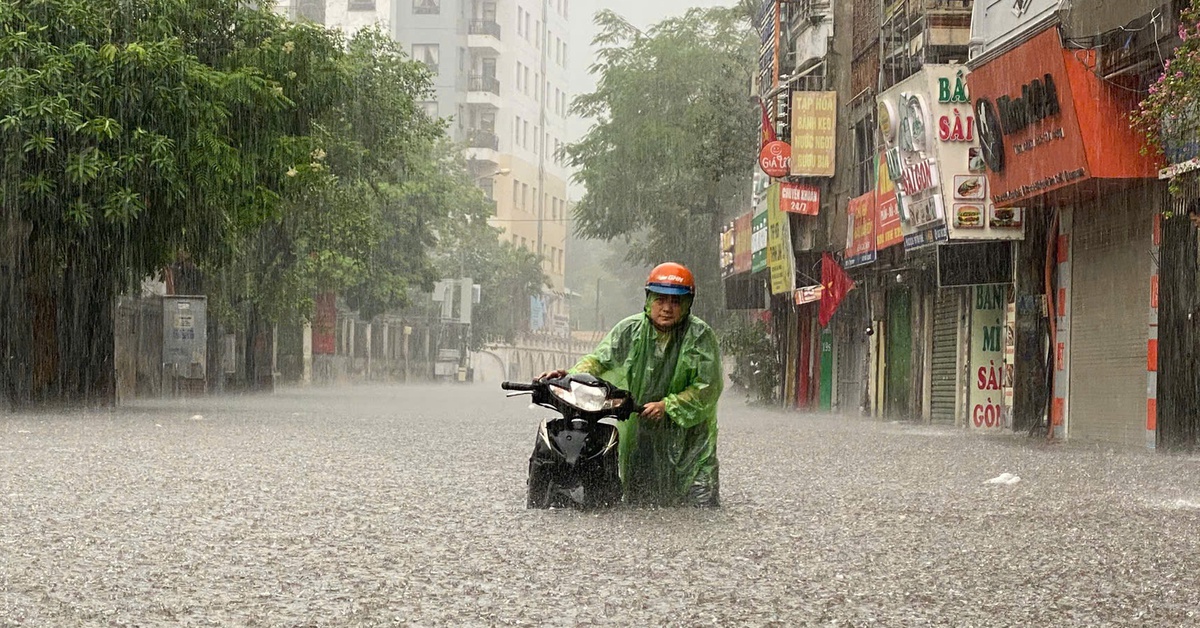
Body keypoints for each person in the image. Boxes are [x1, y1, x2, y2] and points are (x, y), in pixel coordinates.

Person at [539, 262, 723, 507]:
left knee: (699, 510)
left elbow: (707, 387)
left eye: (675, 302)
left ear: (688, 304)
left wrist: (669, 406)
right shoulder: (630, 330)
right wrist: (570, 376)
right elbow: (598, 361)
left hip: (690, 443)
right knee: (640, 506)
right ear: (648, 300)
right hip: (641, 436)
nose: (667, 308)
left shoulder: (700, 336)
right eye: (660, 300)